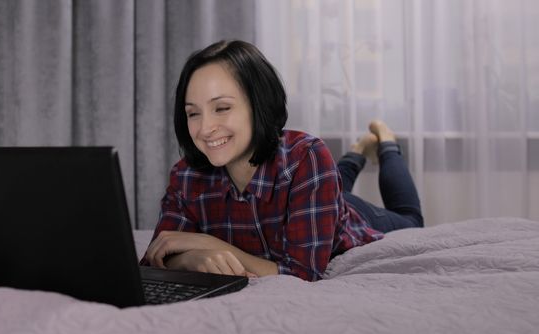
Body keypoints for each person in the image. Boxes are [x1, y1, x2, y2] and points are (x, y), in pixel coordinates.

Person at [142, 40, 423, 281]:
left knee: (410, 218)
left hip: (343, 215)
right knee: (338, 186)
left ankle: (386, 143)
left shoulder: (307, 158)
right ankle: (357, 150)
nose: (204, 129)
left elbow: (303, 273)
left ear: (259, 104)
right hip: (316, 194)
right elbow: (160, 255)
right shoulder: (186, 176)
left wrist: (207, 244)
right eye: (193, 113)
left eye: (222, 108)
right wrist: (188, 260)